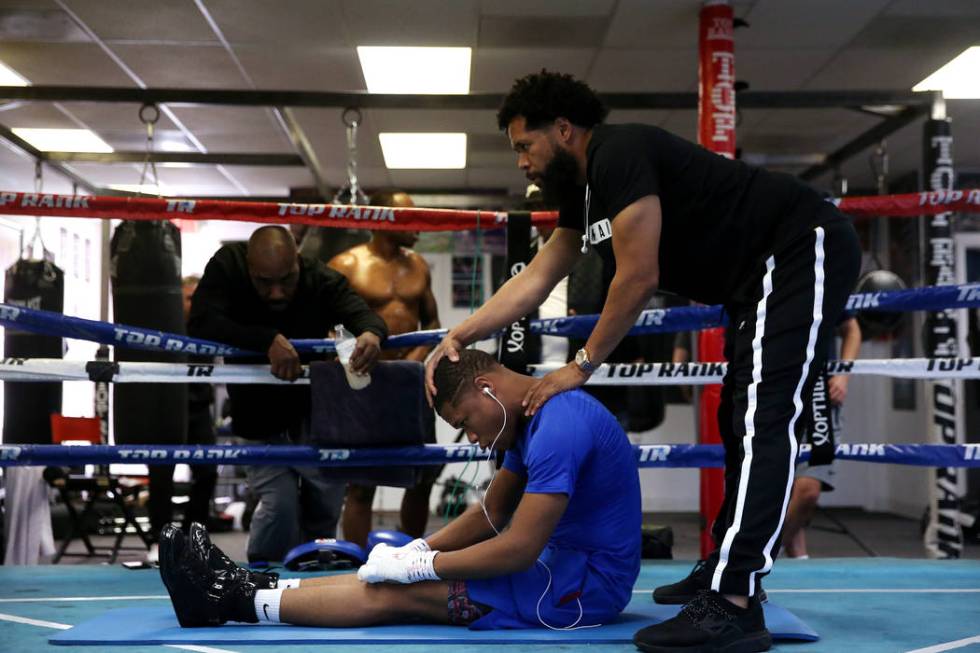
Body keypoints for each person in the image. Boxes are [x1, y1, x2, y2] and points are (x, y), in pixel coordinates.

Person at [423, 70, 861, 653]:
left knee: (761, 417)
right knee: (739, 421)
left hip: (799, 247)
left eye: (525, 146)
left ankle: (733, 601)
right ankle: (720, 571)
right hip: (753, 280)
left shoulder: (616, 151)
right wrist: (460, 333)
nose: (522, 162)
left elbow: (638, 275)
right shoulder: (582, 193)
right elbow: (537, 277)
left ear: (563, 129)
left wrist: (580, 364)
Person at [157, 348, 641, 631]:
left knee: (398, 594)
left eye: (466, 421)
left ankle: (233, 601)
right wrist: (418, 548)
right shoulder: (530, 421)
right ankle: (251, 584)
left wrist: (424, 566)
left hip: (583, 590)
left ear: (487, 388)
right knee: (389, 577)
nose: (472, 437)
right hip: (562, 570)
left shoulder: (559, 425)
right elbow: (491, 514)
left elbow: (516, 548)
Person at [188, 225, 387, 562]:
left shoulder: (320, 278)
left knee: (323, 506)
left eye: (286, 280)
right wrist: (265, 340)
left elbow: (363, 315)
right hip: (257, 413)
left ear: (297, 261)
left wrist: (371, 334)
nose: (277, 293)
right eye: (265, 282)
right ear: (249, 267)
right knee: (279, 505)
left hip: (315, 414)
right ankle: (261, 580)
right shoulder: (228, 266)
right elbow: (201, 322)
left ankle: (316, 577)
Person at [327, 190, 441, 549]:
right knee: (361, 482)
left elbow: (432, 321)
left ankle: (413, 558)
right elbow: (329, 325)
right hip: (364, 382)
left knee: (420, 475)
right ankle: (357, 565)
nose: (418, 228)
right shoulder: (346, 264)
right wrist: (351, 359)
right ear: (381, 219)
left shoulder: (419, 265)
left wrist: (413, 362)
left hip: (410, 381)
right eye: (410, 220)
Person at [782, 317, 862, 558]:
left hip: (818, 396)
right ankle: (796, 557)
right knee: (781, 490)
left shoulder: (825, 281)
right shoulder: (764, 285)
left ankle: (758, 557)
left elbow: (852, 329)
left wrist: (843, 375)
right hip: (775, 395)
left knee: (808, 491)